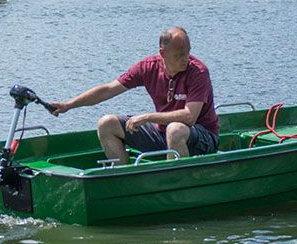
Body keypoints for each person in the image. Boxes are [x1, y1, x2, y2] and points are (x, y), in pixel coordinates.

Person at [49, 27, 219, 162]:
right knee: (106, 123)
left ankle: (174, 182)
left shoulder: (198, 72)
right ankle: (123, 179)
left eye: (187, 52)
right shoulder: (148, 67)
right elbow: (108, 89)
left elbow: (189, 117)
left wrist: (147, 117)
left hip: (202, 137)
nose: (185, 58)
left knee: (175, 129)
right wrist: (68, 105)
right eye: (179, 55)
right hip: (162, 134)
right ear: (162, 53)